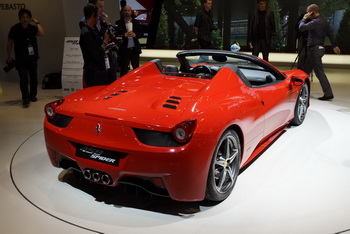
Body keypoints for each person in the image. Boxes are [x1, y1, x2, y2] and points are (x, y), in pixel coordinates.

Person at [299, 4, 341, 101]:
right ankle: (299, 89)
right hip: (319, 49)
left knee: (319, 72)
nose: (306, 14)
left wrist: (304, 19)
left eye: (307, 12)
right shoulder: (324, 21)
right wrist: (334, 45)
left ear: (312, 12)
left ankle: (328, 93)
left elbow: (301, 27)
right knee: (305, 71)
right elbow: (330, 34)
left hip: (314, 49)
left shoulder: (315, 22)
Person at [6, 8, 44, 107]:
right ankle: (25, 98)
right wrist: (9, 56)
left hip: (32, 57)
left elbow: (42, 33)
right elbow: (9, 42)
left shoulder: (32, 28)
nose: (25, 19)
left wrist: (37, 23)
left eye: (27, 17)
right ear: (19, 18)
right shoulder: (14, 29)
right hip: (20, 58)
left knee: (33, 78)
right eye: (23, 17)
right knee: (23, 79)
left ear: (30, 18)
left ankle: (33, 95)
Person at [79, 0, 117, 84]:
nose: (102, 10)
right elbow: (96, 54)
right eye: (100, 7)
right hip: (94, 74)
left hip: (100, 70)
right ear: (93, 15)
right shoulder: (86, 32)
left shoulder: (91, 30)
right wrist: (105, 41)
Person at [116, 5, 142, 77]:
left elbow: (141, 33)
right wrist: (124, 35)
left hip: (134, 49)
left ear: (131, 12)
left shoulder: (136, 22)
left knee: (136, 70)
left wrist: (135, 34)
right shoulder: (119, 23)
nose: (127, 12)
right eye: (125, 10)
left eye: (128, 10)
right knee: (124, 70)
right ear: (123, 12)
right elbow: (117, 35)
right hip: (124, 50)